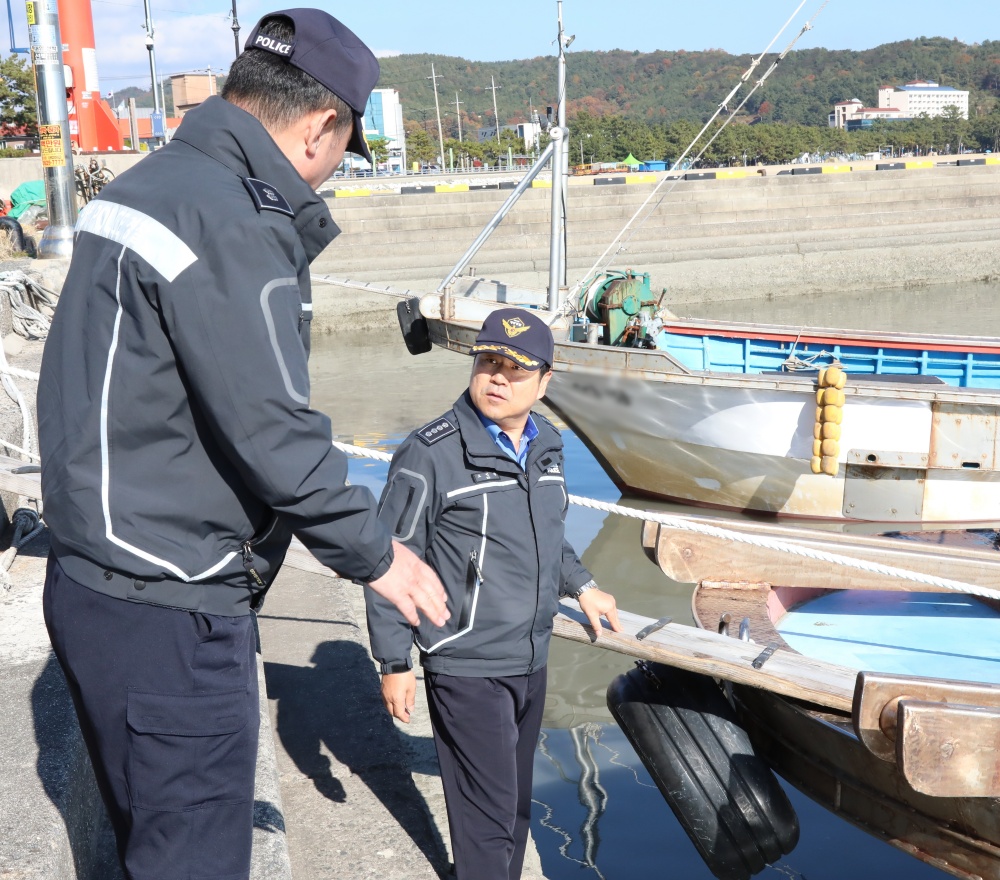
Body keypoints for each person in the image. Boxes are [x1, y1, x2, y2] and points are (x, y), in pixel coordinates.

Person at [37, 10, 448, 880]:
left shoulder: (149, 184)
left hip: (90, 573)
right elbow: (271, 429)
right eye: (341, 150)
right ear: (322, 126)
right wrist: (377, 556)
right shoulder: (234, 218)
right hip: (170, 601)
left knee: (146, 836)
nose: (331, 173)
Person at [365, 307, 622, 880]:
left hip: (530, 657)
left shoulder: (548, 445)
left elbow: (548, 537)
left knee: (516, 806)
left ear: (545, 381)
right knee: (487, 816)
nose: (499, 377)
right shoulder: (430, 452)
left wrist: (584, 586)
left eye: (516, 369)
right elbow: (390, 560)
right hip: (466, 660)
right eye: (488, 363)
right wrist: (394, 660)